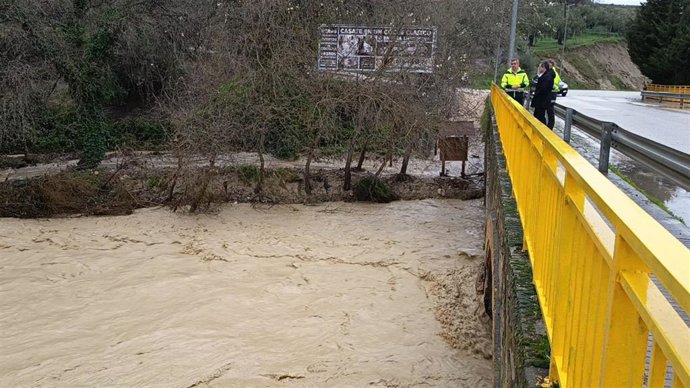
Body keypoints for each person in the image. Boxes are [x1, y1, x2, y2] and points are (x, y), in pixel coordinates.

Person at [531, 61, 554, 126]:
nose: (538, 68)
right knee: (537, 116)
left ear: (543, 67)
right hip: (540, 101)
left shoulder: (547, 77)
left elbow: (543, 89)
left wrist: (536, 93)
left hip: (542, 101)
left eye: (539, 67)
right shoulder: (544, 76)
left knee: (540, 116)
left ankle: (543, 130)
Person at [546, 59, 562, 130]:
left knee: (550, 111)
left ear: (552, 65)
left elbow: (555, 84)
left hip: (552, 94)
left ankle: (550, 127)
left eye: (549, 65)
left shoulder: (553, 73)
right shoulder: (548, 72)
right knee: (548, 111)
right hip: (549, 94)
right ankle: (548, 126)